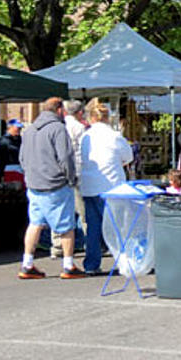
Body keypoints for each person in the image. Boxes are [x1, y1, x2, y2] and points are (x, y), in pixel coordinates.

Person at [17, 97, 86, 279]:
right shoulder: (58, 129)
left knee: (35, 224)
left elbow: (22, 158)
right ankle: (69, 265)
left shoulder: (30, 129)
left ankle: (27, 263)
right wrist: (70, 178)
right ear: (59, 110)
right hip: (55, 184)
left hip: (34, 184)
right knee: (66, 226)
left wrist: (31, 175)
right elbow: (65, 158)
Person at [79, 99, 133, 275]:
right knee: (116, 226)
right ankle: (123, 261)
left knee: (93, 228)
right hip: (110, 185)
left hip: (89, 185)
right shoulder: (114, 136)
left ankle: (91, 264)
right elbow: (128, 156)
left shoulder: (85, 136)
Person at [60, 99, 88, 260]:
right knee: (82, 211)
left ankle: (58, 245)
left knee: (62, 210)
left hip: (61, 173)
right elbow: (85, 151)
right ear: (79, 113)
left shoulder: (60, 126)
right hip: (78, 171)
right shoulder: (79, 128)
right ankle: (86, 241)